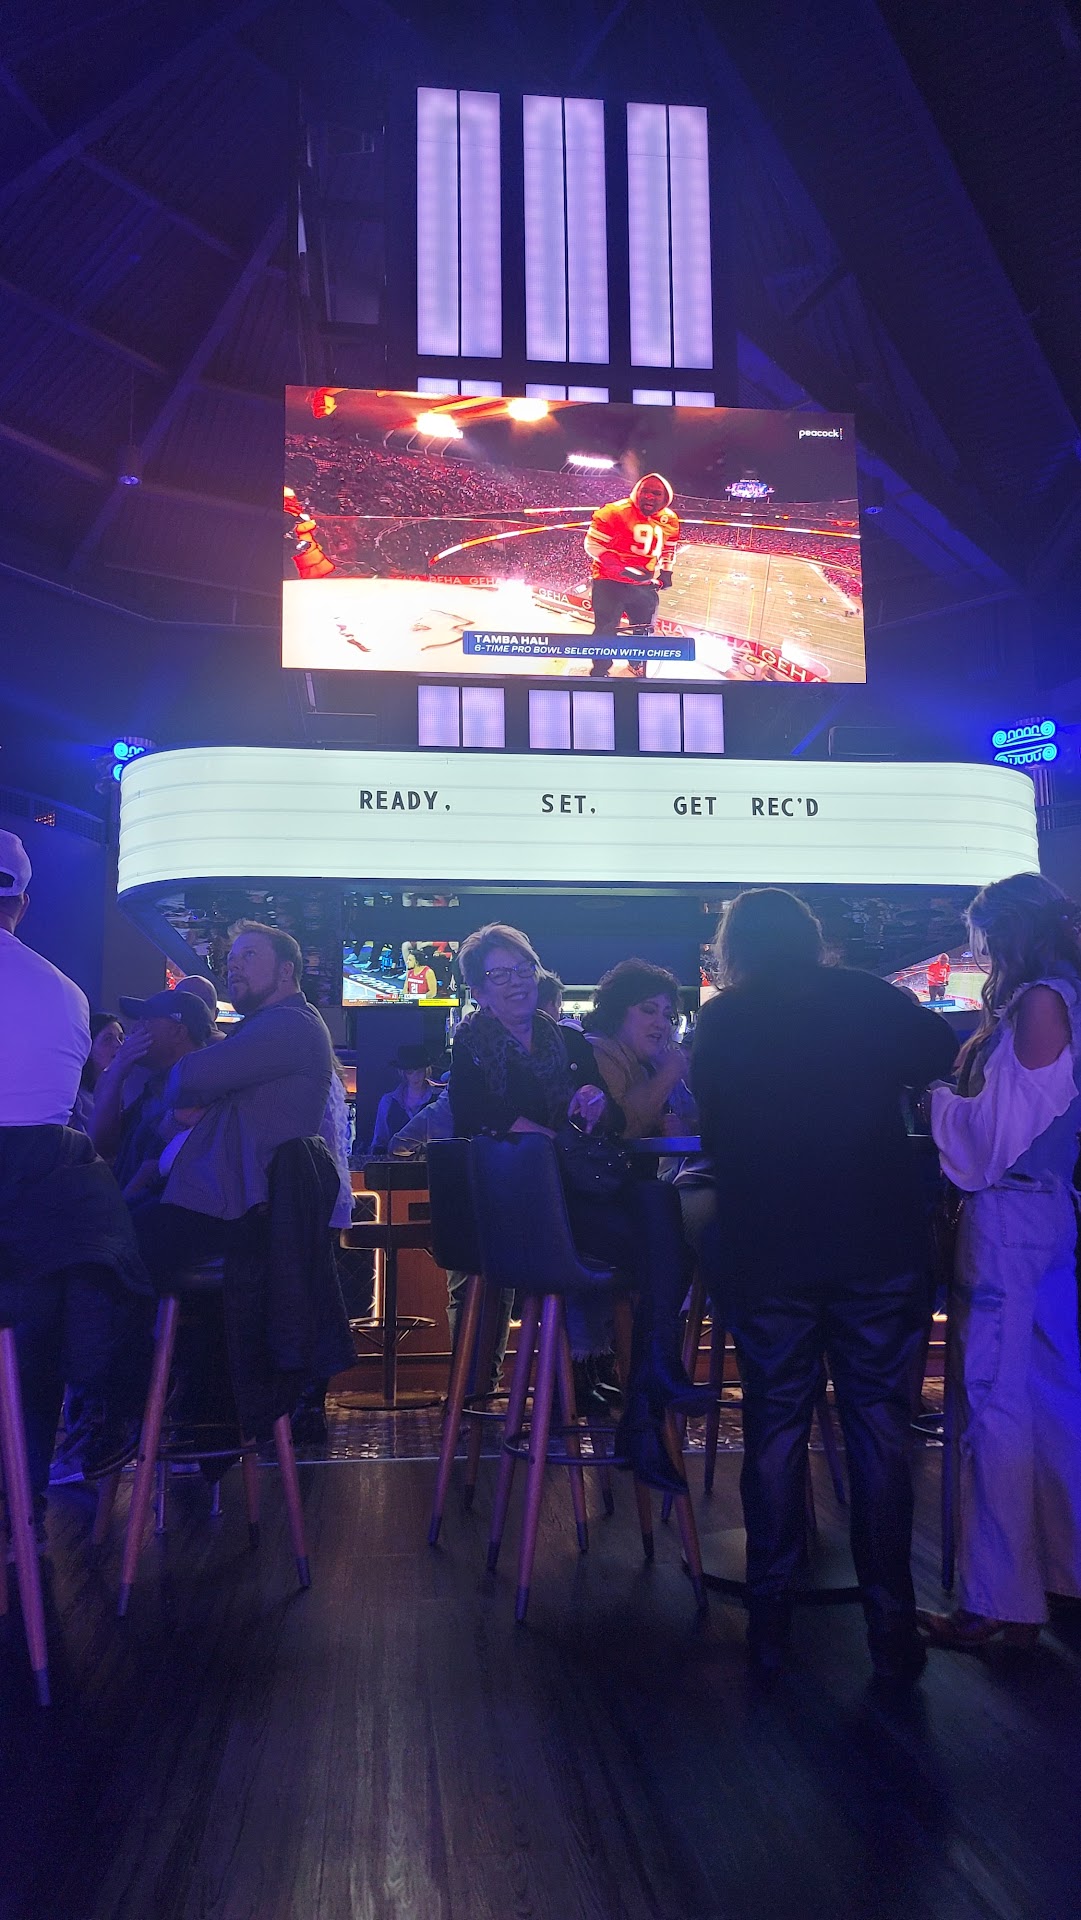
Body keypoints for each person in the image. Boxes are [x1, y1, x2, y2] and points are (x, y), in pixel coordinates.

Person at [691, 887, 957, 1682]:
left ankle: (769, 1621)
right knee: (878, 1429)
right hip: (875, 1241)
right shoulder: (867, 997)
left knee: (775, 1425)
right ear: (812, 940)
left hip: (768, 1245)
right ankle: (891, 1626)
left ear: (735, 949)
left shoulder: (723, 1020)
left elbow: (712, 1126)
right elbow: (939, 1055)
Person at [449, 923, 711, 1491]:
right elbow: (479, 1121)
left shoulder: (567, 1042)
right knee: (662, 1248)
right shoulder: (469, 1047)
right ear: (479, 989)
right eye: (500, 974)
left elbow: (611, 1122)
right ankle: (649, 1397)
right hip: (526, 1208)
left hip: (580, 1190)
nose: (516, 982)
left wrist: (595, 1105)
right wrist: (551, 1138)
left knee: (660, 1202)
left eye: (523, 970)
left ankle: (646, 1396)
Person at [922, 873, 1081, 1649]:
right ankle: (1059, 1576)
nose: (979, 954)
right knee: (1052, 1401)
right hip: (1049, 1213)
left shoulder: (1040, 1001)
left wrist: (933, 1101)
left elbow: (996, 1136)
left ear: (1008, 933)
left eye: (982, 939)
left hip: (1009, 1215)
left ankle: (1000, 1604)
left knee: (995, 1401)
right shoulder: (1061, 996)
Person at [0, 829, 146, 1511]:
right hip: (38, 1239)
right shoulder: (70, 997)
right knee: (32, 1357)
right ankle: (22, 1520)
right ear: (23, 903)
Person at [130, 921, 333, 1285]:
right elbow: (183, 1109)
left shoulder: (290, 1023)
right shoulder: (264, 1025)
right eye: (232, 958)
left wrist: (200, 1090)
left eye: (249, 955)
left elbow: (188, 1077)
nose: (234, 965)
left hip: (231, 1211)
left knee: (106, 1248)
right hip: (220, 1203)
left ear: (286, 970)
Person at [90, 989, 215, 1192]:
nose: (135, 1029)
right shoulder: (157, 1084)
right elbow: (103, 1147)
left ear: (178, 1032)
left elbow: (151, 1173)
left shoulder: (196, 1090)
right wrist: (117, 1074)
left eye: (146, 1021)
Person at [585, 472, 679, 679]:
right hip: (609, 582)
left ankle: (636, 663)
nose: (649, 497)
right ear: (637, 491)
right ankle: (600, 671)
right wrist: (619, 566)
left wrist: (666, 571)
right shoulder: (614, 512)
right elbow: (592, 544)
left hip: (643, 583)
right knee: (605, 630)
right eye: (645, 491)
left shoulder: (670, 519)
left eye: (656, 493)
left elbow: (669, 548)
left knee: (643, 629)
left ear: (666, 497)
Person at [583, 960, 691, 1139]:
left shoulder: (659, 1060)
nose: (661, 1023)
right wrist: (669, 1074)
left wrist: (683, 1129)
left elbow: (695, 1120)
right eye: (649, 1010)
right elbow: (619, 1129)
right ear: (617, 1012)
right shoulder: (595, 1054)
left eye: (667, 1015)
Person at [368, 1044, 437, 1154]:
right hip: (396, 1163)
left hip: (431, 1162)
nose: (415, 1076)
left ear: (426, 1071)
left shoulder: (439, 1100)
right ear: (403, 1072)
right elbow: (380, 1142)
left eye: (419, 1071)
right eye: (410, 1072)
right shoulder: (388, 1102)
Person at [70, 1012, 124, 1130]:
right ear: (88, 1048)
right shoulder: (77, 1100)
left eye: (121, 1038)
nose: (118, 1044)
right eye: (108, 1039)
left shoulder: (126, 1089)